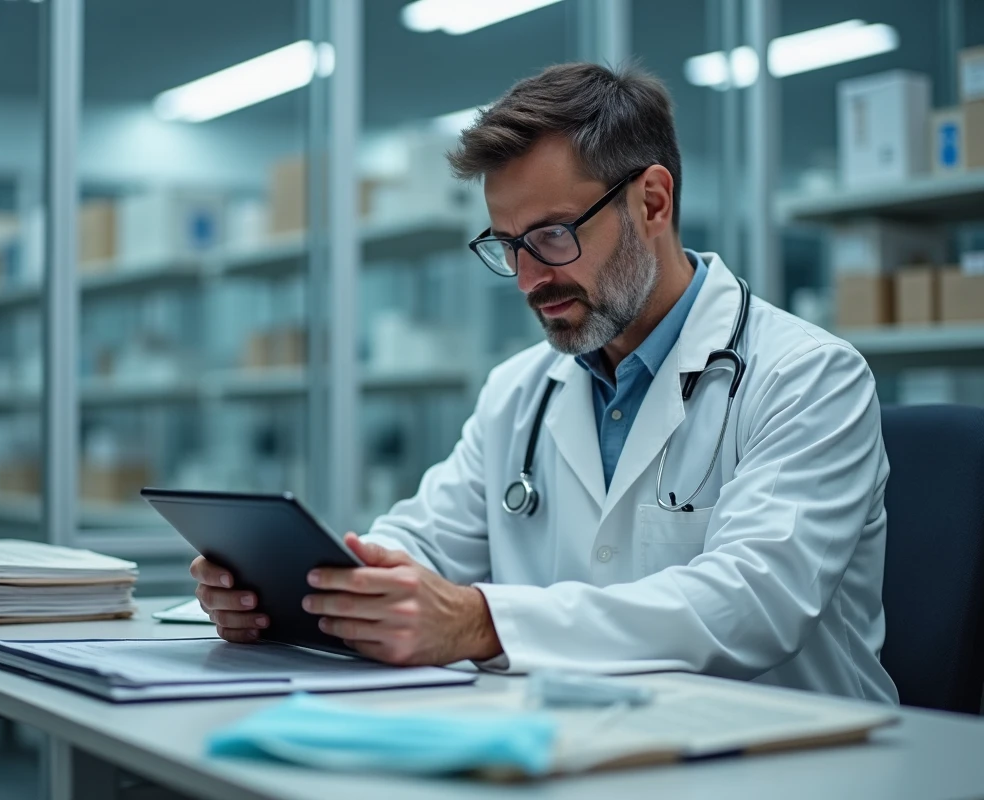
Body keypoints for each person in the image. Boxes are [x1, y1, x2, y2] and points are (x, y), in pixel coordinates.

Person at [191, 62, 899, 703]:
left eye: (554, 235)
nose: (528, 280)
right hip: (582, 746)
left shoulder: (807, 376)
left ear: (653, 203)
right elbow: (424, 542)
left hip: (786, 754)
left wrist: (481, 623)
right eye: (508, 246)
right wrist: (302, 591)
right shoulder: (519, 391)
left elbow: (751, 603)